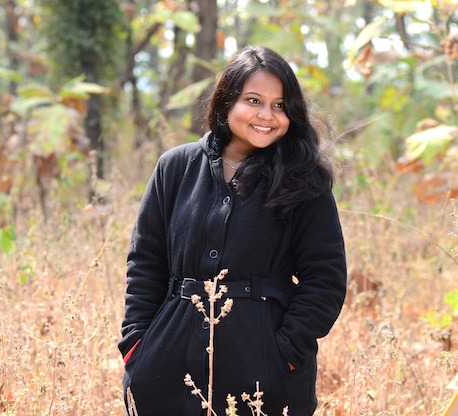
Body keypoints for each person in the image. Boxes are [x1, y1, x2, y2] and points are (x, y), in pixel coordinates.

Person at [118, 45, 347, 416]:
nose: (266, 115)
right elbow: (145, 263)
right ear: (226, 101)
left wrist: (285, 353)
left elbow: (326, 279)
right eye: (253, 100)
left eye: (279, 105)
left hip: (263, 367)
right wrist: (136, 346)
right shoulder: (175, 167)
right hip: (166, 361)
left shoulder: (305, 180)